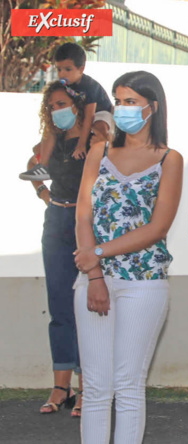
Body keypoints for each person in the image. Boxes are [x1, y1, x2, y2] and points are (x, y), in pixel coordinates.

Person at [73, 70, 182, 443]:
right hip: (93, 280)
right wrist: (95, 274)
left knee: (128, 385)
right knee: (97, 387)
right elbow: (83, 213)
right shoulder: (99, 152)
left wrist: (97, 253)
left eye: (131, 101)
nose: (122, 109)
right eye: (118, 101)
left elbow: (157, 227)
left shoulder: (170, 159)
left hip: (144, 282)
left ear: (153, 107)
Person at [29, 80, 91, 417]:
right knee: (60, 306)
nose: (57, 111)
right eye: (52, 106)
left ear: (79, 104)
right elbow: (32, 164)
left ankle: (86, 388)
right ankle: (61, 386)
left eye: (62, 103)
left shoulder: (95, 140)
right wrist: (43, 193)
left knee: (86, 307)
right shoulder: (50, 142)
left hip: (87, 227)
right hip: (56, 223)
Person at [20, 42, 113, 181]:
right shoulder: (65, 86)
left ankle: (104, 161)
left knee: (100, 128)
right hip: (81, 112)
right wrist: (43, 145)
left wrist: (81, 145)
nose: (62, 74)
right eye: (59, 69)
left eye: (67, 69)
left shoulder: (89, 86)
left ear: (81, 69)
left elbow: (90, 116)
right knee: (51, 123)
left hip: (101, 112)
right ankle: (43, 166)